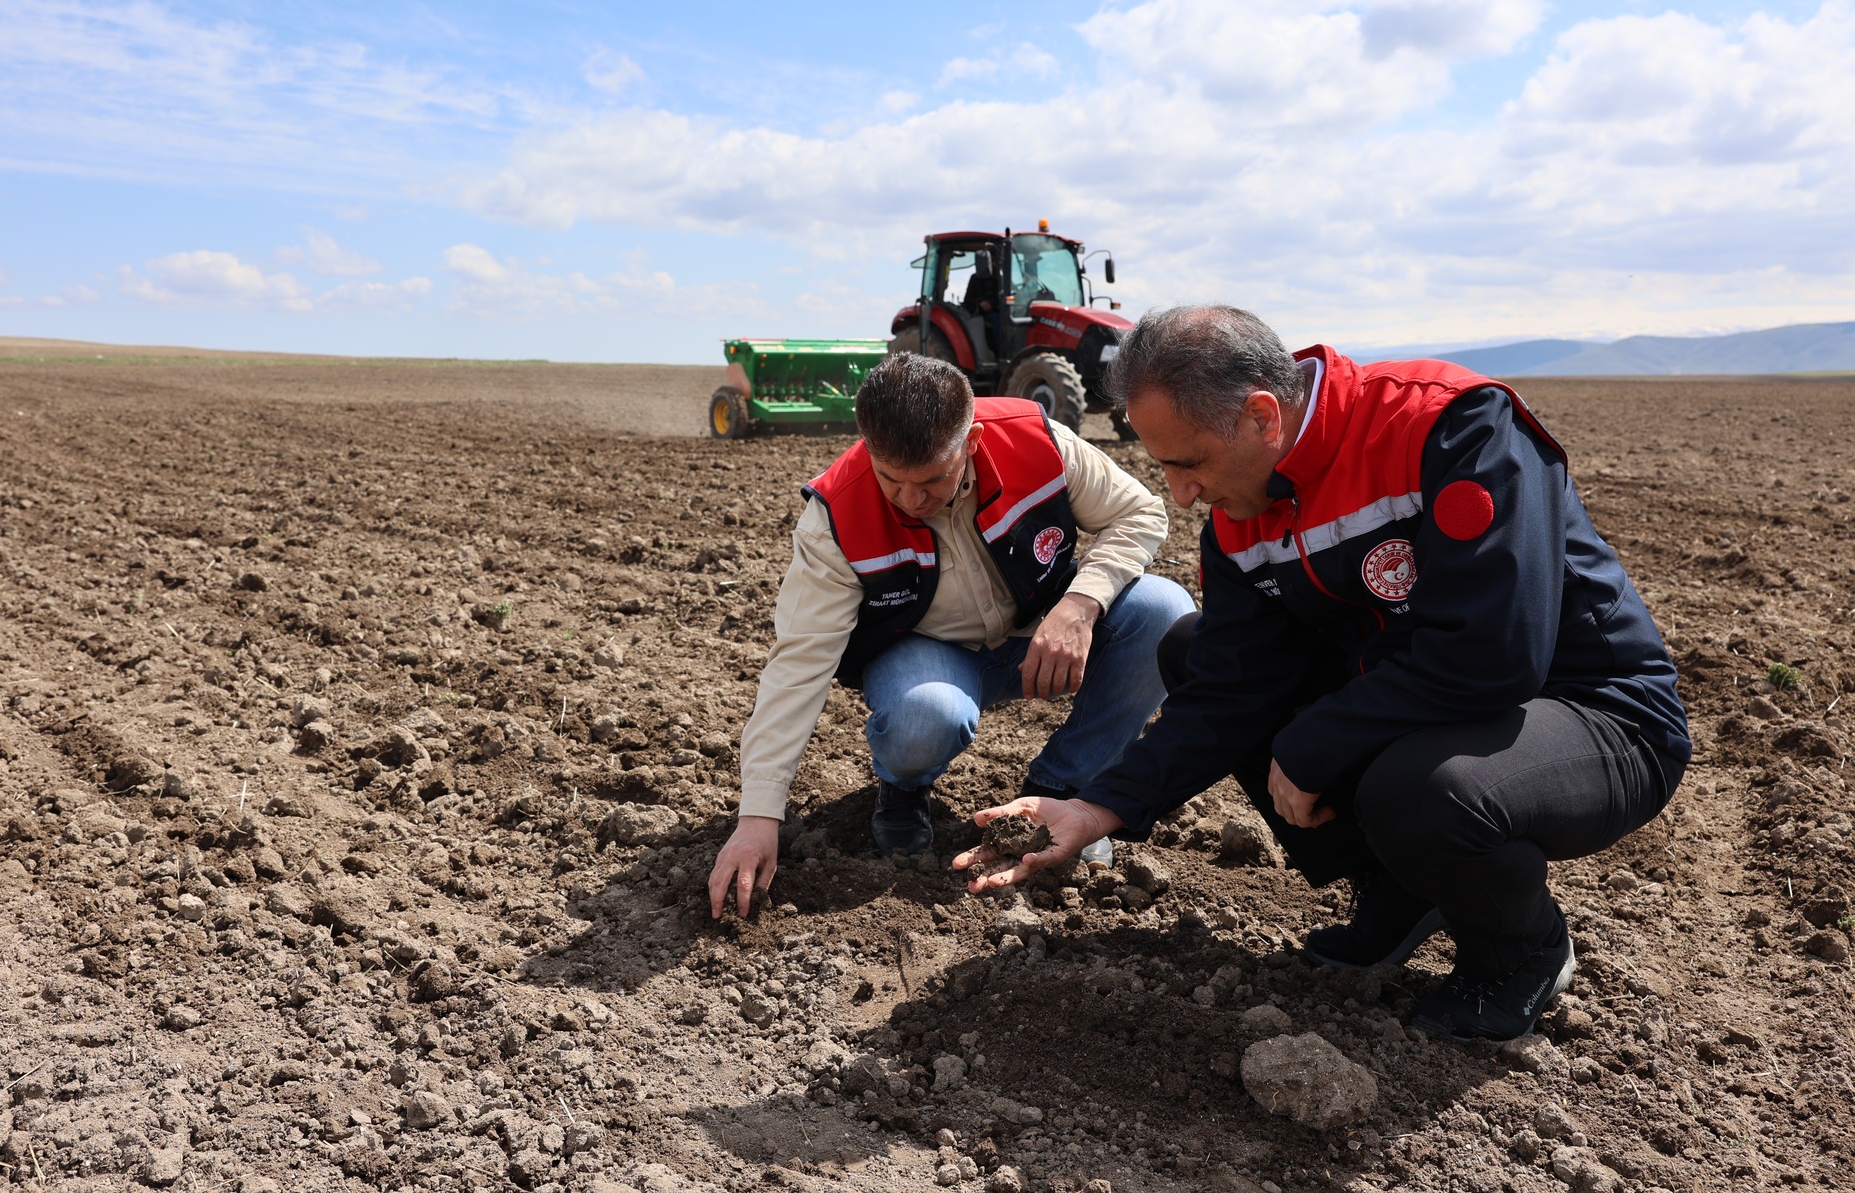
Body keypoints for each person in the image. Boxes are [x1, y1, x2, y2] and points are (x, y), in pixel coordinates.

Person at [954, 306, 1691, 1043]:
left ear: (1261, 416)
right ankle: (1398, 891)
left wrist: (1317, 741)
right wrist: (1094, 808)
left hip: (1595, 713)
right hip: (1440, 701)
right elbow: (1229, 691)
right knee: (1192, 647)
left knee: (1417, 790)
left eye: (1190, 463)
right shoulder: (1244, 514)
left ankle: (1521, 949)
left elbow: (1494, 653)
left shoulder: (1450, 427)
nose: (1180, 495)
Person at [709, 352, 1193, 918]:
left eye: (932, 479)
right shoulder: (835, 518)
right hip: (929, 655)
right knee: (925, 715)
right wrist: (758, 818)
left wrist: (1080, 605)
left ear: (971, 441)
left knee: (1164, 611)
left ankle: (1063, 796)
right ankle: (904, 791)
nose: (911, 500)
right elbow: (797, 666)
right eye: (892, 480)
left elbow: (1140, 513)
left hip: (1044, 634)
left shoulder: (1035, 441)